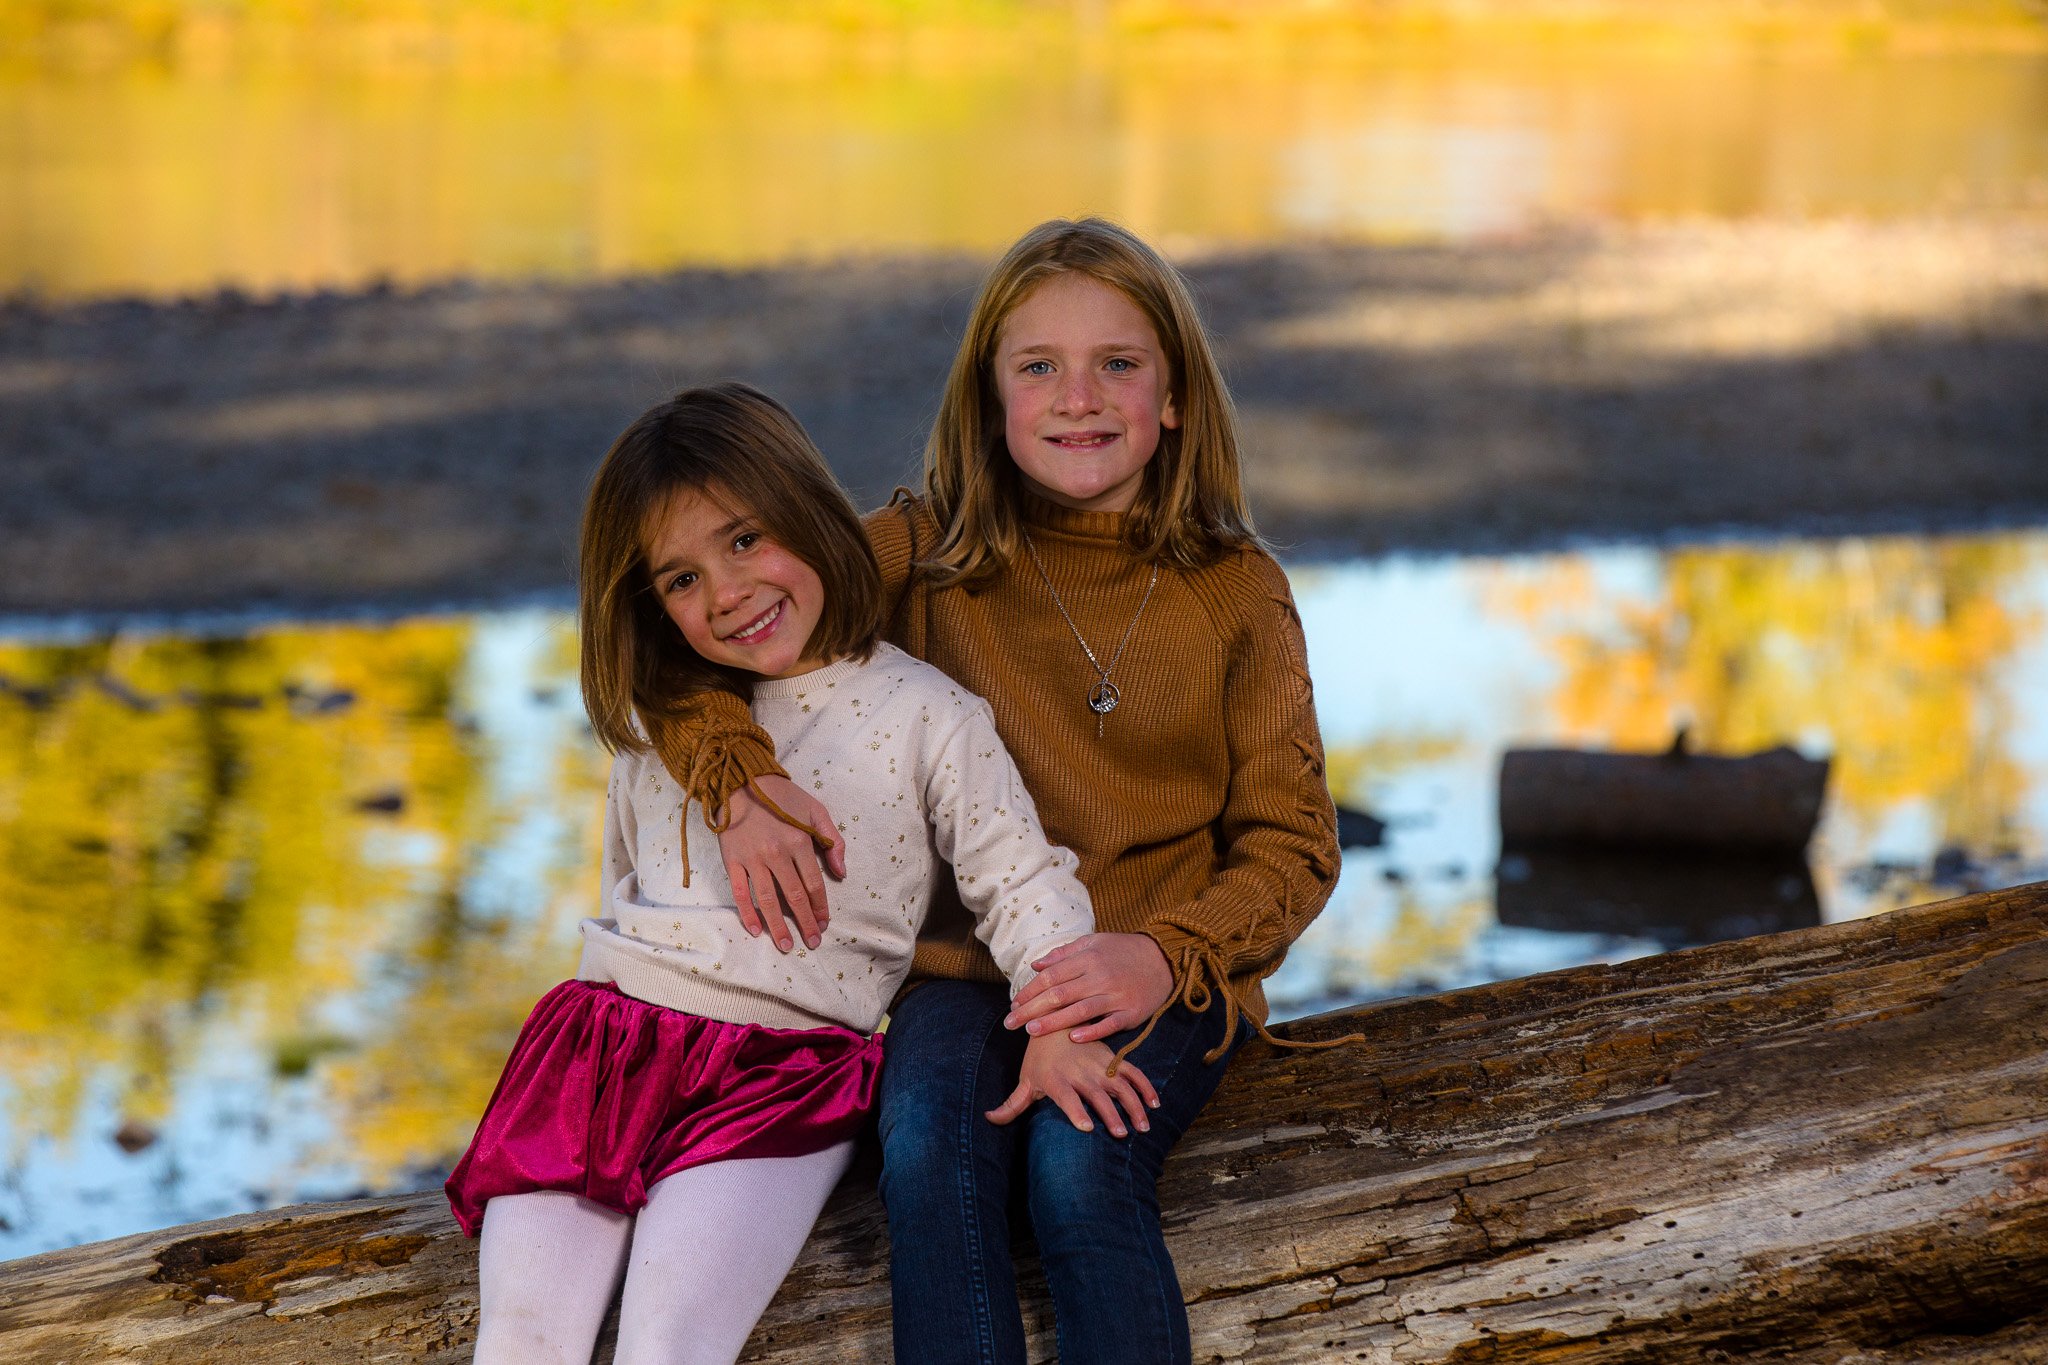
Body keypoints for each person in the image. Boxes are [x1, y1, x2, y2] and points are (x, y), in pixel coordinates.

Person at [645, 219, 1350, 1363]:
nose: (1079, 397)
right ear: (990, 400)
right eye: (1039, 368)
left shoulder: (1237, 591)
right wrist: (738, 783)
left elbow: (1291, 845)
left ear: (1172, 397)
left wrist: (1167, 955)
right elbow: (687, 645)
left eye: (1116, 364)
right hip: (963, 973)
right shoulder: (918, 552)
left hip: (1151, 969)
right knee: (927, 1142)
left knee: (1077, 1160)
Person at [444, 381, 1140, 1365]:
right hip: (599, 1050)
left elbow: (1019, 885)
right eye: (679, 580)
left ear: (809, 513)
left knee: (670, 1343)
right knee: (518, 1341)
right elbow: (619, 894)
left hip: (779, 1073)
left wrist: (1062, 1025)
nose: (725, 594)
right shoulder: (664, 722)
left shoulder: (926, 716)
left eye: (742, 540)